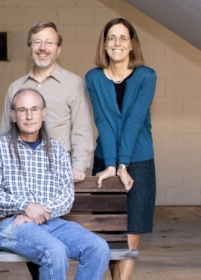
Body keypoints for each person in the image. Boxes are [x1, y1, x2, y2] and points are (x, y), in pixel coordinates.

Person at [0, 88, 110, 280]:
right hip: (11, 224)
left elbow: (66, 196)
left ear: (44, 113)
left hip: (50, 222)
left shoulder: (57, 150)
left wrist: (39, 213)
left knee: (98, 248)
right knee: (54, 252)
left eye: (35, 109)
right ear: (13, 115)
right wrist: (25, 206)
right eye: (22, 110)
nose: (29, 116)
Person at [85, 18, 156, 280]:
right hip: (105, 161)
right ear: (104, 45)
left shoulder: (147, 76)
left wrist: (123, 165)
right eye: (111, 37)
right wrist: (112, 166)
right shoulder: (93, 77)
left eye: (123, 38)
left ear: (132, 44)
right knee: (105, 234)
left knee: (130, 236)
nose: (117, 43)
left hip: (139, 161)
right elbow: (103, 121)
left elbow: (135, 120)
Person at [0, 21, 93, 184]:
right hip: (20, 170)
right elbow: (6, 132)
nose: (43, 47)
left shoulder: (74, 83)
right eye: (37, 42)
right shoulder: (15, 87)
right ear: (29, 48)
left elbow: (82, 129)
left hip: (59, 169)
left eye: (49, 42)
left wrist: (78, 166)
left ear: (58, 49)